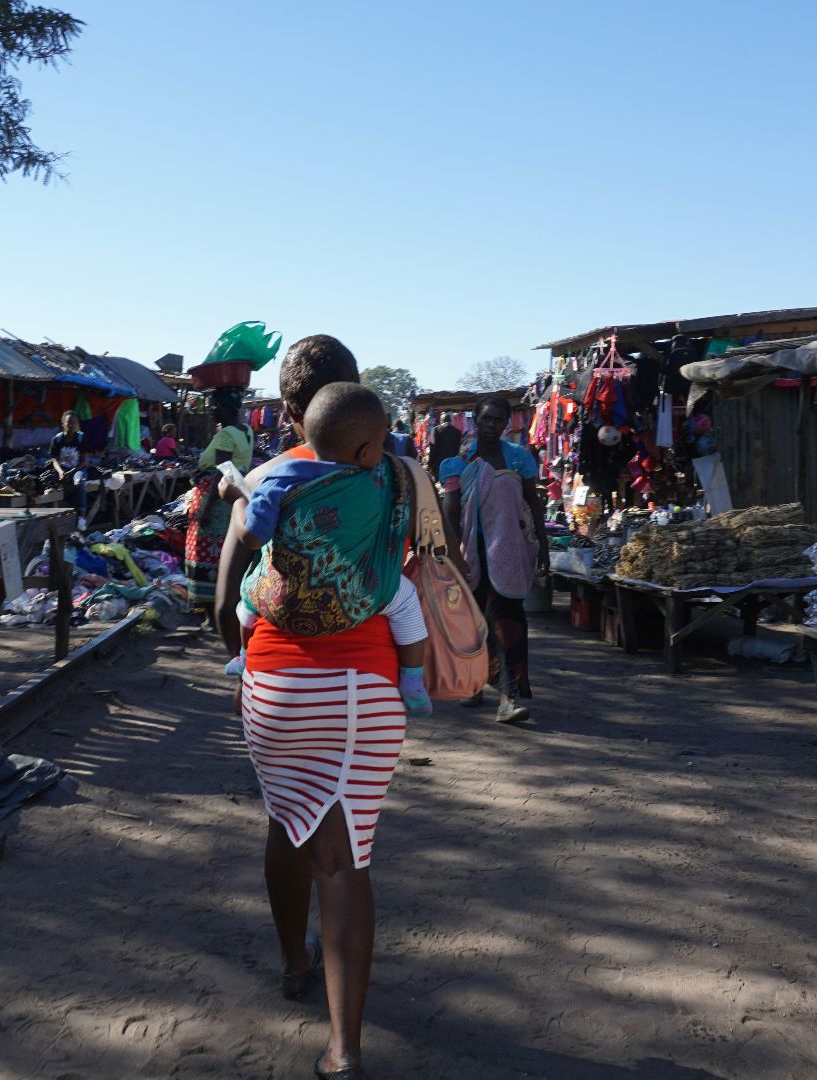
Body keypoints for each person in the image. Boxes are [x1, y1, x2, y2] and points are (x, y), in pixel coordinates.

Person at [216, 334, 452, 1080]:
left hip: (276, 685)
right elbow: (435, 568)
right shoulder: (404, 475)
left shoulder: (265, 479)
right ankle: (343, 1050)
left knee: (286, 820)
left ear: (293, 411)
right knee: (344, 857)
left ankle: (295, 962)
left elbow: (224, 602)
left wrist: (245, 658)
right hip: (369, 690)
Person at [222, 382, 431, 716]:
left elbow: (252, 538)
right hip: (361, 593)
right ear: (365, 452)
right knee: (406, 600)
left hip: (282, 601)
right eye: (380, 445)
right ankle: (413, 680)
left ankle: (245, 656)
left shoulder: (279, 478)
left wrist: (236, 500)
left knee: (249, 591)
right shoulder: (384, 480)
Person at [440, 395, 549, 724]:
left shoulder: (518, 458)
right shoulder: (457, 464)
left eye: (498, 419)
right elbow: (450, 513)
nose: (492, 425)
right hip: (472, 557)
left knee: (507, 623)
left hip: (509, 554)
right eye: (486, 418)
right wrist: (453, 555)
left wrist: (544, 545)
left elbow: (533, 503)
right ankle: (474, 685)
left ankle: (507, 698)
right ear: (475, 419)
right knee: (475, 624)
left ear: (506, 423)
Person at [182, 392, 254, 618]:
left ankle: (209, 613)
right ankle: (221, 608)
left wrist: (205, 510)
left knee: (204, 552)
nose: (211, 410)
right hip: (233, 496)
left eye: (214, 406)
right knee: (225, 551)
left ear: (226, 408)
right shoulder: (246, 430)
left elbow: (222, 472)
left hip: (214, 499)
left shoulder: (226, 434)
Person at [49, 411, 91, 529]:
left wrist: (72, 471)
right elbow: (55, 460)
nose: (71, 425)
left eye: (74, 422)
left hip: (78, 469)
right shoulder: (57, 440)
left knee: (79, 481)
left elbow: (85, 461)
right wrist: (60, 472)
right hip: (62, 470)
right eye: (68, 422)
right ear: (63, 423)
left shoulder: (81, 438)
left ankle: (82, 517)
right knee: (48, 486)